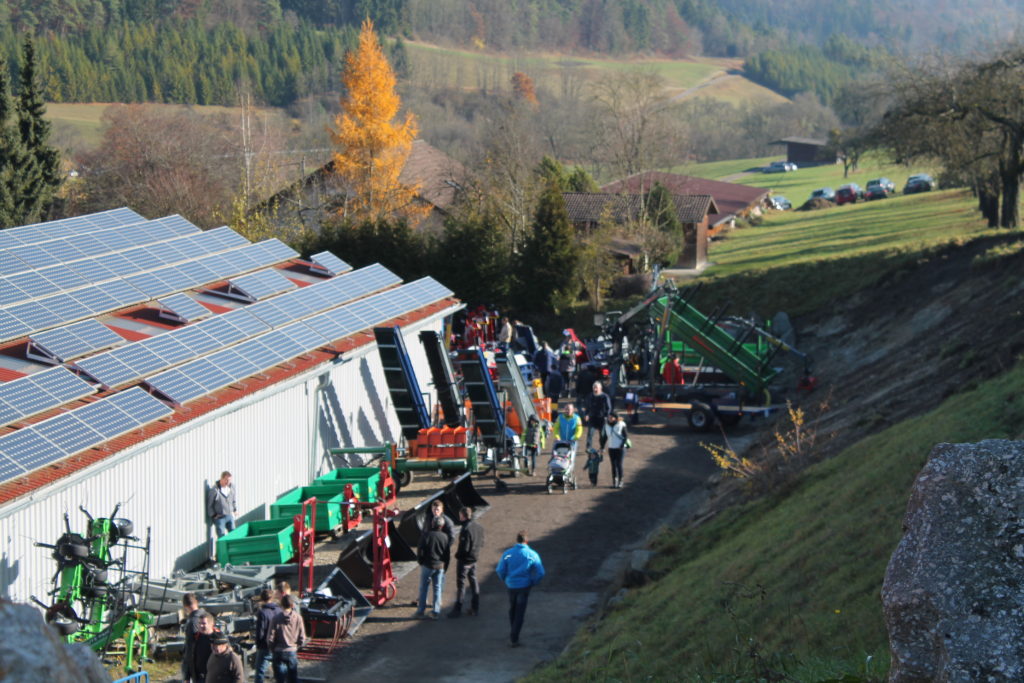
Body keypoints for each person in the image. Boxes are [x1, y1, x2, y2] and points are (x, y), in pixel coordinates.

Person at [496, 530, 545, 647]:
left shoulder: (508, 554)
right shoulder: (532, 554)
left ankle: (513, 631)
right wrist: (533, 582)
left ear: (517, 540)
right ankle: (514, 636)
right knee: (520, 611)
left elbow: (500, 570)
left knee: (512, 609)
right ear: (526, 541)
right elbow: (540, 572)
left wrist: (505, 579)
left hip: (511, 585)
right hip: (524, 586)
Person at [448, 507, 484, 618]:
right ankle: (475, 607)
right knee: (473, 582)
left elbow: (465, 547)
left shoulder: (465, 529)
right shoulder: (479, 527)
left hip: (464, 561)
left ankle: (457, 609)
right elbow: (482, 543)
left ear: (462, 516)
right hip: (474, 559)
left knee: (461, 585)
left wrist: (458, 555)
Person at [414, 516, 450, 619]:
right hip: (440, 566)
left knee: (423, 588)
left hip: (427, 565)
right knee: (437, 588)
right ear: (442, 526)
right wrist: (445, 567)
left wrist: (421, 562)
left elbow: (420, 551)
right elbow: (447, 555)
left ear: (432, 524)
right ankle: (436, 611)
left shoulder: (426, 535)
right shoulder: (445, 537)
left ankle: (421, 611)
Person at [268, 594, 305, 683]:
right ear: (292, 605)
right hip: (292, 650)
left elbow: (270, 637)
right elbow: (302, 637)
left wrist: (273, 649)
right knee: (293, 678)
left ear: (281, 605)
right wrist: (296, 646)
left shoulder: (276, 618)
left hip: (278, 651)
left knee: (279, 679)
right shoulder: (298, 618)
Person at [253, 589, 281, 683]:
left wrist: (258, 645)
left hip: (266, 645)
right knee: (279, 670)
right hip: (278, 644)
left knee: (260, 670)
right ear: (272, 597)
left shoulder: (262, 612)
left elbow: (260, 631)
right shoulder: (279, 610)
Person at [183, 609, 218, 683]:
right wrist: (187, 677)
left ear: (211, 624)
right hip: (199, 678)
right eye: (199, 623)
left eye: (204, 623)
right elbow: (188, 657)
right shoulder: (195, 638)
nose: (201, 626)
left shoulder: (219, 639)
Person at [603, 412, 630, 488]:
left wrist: (621, 446)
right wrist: (602, 447)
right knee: (613, 465)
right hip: (611, 448)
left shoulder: (621, 424)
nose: (610, 419)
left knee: (619, 465)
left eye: (611, 417)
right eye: (609, 417)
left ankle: (621, 481)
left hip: (620, 448)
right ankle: (615, 482)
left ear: (615, 418)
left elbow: (626, 436)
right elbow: (604, 437)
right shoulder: (606, 425)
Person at [583, 381, 612, 452]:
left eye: (596, 388)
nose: (595, 389)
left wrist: (606, 416)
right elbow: (587, 406)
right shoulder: (590, 396)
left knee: (602, 434)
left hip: (602, 418)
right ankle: (588, 447)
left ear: (600, 388)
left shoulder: (605, 397)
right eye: (594, 388)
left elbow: (609, 407)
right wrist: (586, 414)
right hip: (592, 417)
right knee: (590, 433)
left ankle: (602, 447)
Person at [207, 471, 237, 538]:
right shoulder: (215, 490)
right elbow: (209, 505)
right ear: (221, 479)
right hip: (220, 518)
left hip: (229, 515)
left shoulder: (232, 487)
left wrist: (235, 509)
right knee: (221, 536)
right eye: (226, 480)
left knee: (233, 534)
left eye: (229, 480)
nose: (228, 482)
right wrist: (214, 515)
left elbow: (233, 500)